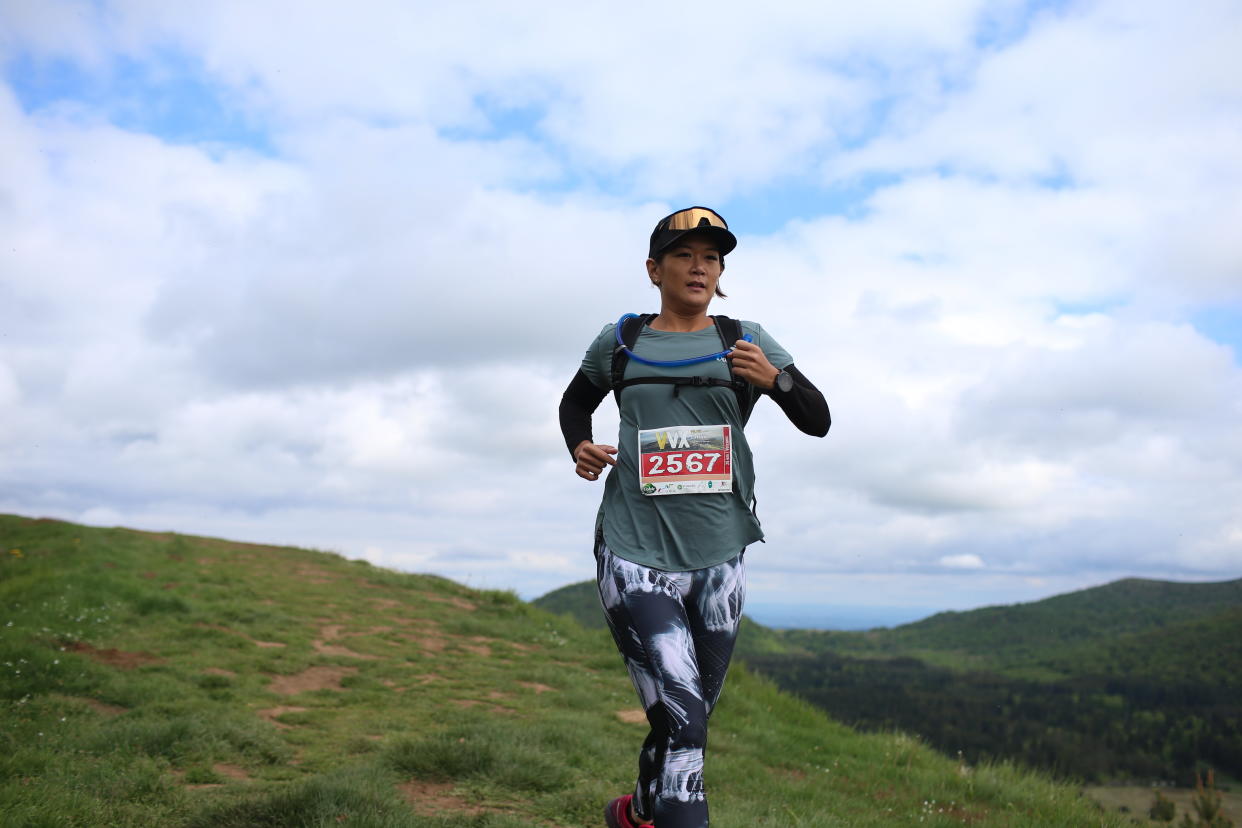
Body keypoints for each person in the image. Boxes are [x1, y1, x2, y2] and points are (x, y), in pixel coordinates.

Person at [558, 206, 831, 828]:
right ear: (655, 269)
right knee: (685, 722)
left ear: (721, 273)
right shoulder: (622, 341)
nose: (699, 266)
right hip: (633, 551)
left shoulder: (744, 339)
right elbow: (575, 402)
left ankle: (637, 811)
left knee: (688, 716)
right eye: (684, 255)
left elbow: (818, 419)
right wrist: (579, 444)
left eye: (711, 257)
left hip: (719, 556)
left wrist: (777, 382)